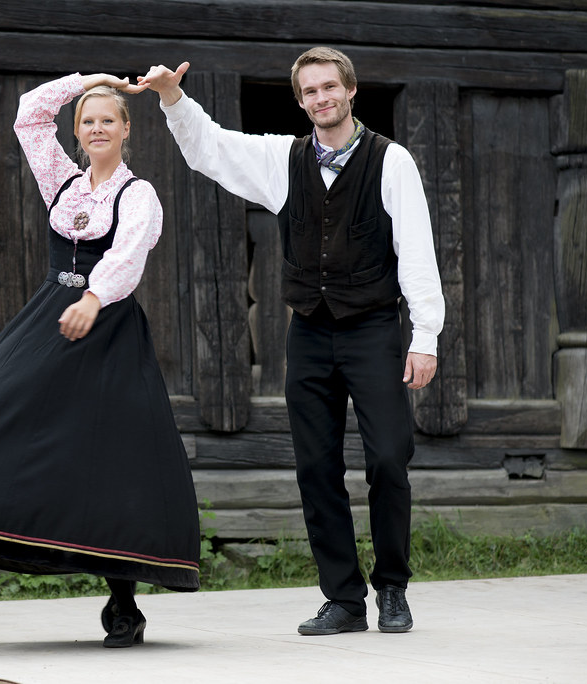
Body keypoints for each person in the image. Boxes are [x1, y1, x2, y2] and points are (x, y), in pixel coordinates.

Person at [0, 72, 200, 648]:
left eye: (108, 119)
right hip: (52, 313)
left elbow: (128, 257)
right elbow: (28, 114)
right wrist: (90, 81)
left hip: (109, 326)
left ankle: (123, 602)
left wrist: (94, 298)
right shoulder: (63, 183)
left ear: (127, 129)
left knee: (112, 457)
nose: (97, 128)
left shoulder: (137, 194)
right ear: (78, 131)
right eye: (88, 120)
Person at [139, 48, 444, 635]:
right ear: (301, 100)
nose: (321, 99)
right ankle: (344, 600)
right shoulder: (285, 158)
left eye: (330, 87)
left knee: (387, 458)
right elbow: (212, 149)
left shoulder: (392, 160)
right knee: (316, 467)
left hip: (374, 330)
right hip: (307, 331)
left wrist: (424, 336)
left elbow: (418, 251)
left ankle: (393, 588)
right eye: (310, 91)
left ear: (350, 91)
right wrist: (172, 99)